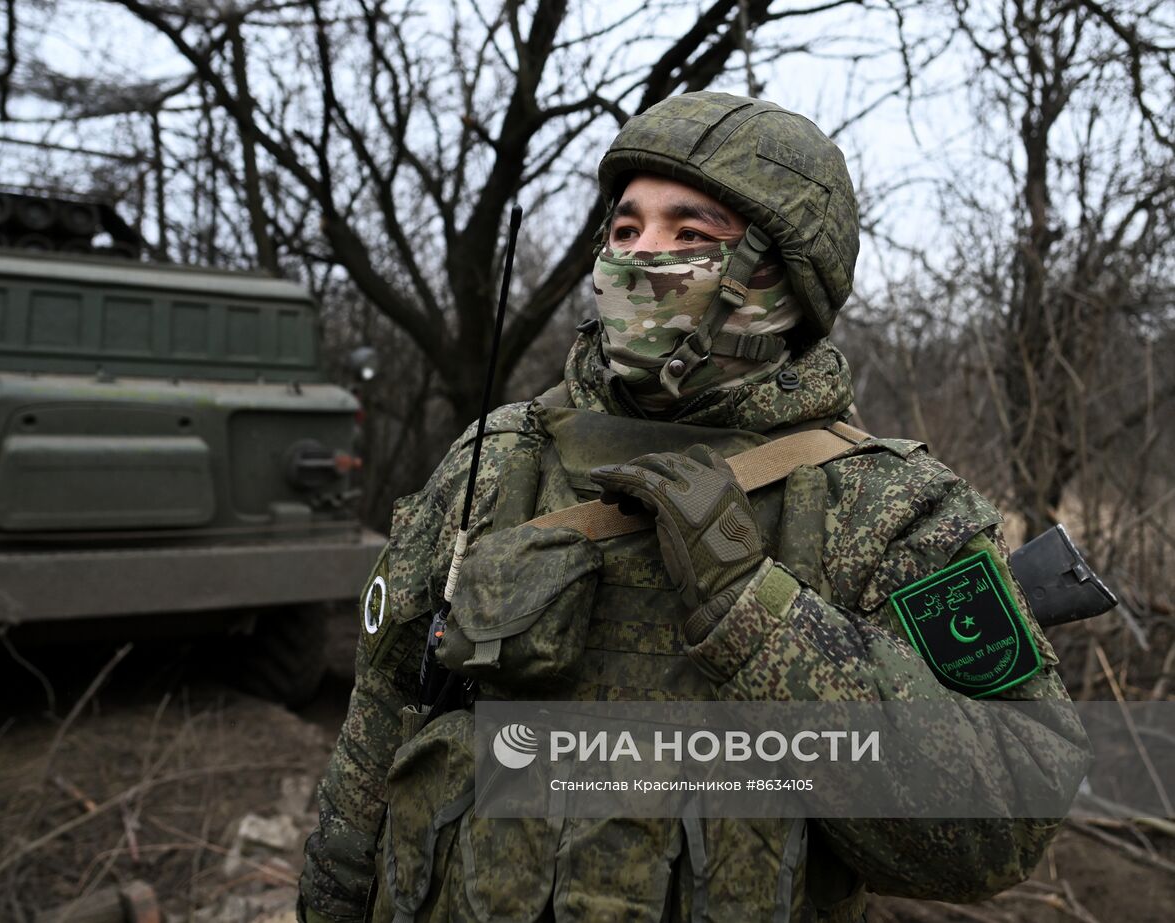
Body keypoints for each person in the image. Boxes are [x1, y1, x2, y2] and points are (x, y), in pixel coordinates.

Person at [298, 91, 1089, 923]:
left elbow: (999, 824)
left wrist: (755, 610)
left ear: (782, 279)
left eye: (692, 236)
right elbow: (376, 729)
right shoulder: (499, 457)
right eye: (625, 230)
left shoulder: (889, 504)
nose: (642, 258)